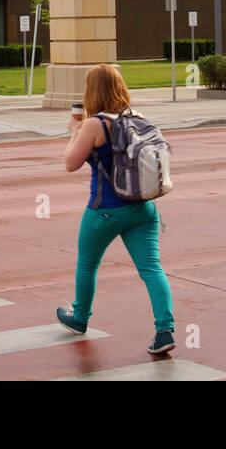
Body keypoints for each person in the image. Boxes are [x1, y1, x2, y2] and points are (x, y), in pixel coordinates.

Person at [55, 63, 175, 354]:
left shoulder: (96, 124)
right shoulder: (138, 117)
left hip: (104, 210)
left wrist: (74, 130)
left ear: (92, 92)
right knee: (151, 269)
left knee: (87, 264)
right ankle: (164, 329)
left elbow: (70, 163)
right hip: (143, 209)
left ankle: (80, 317)